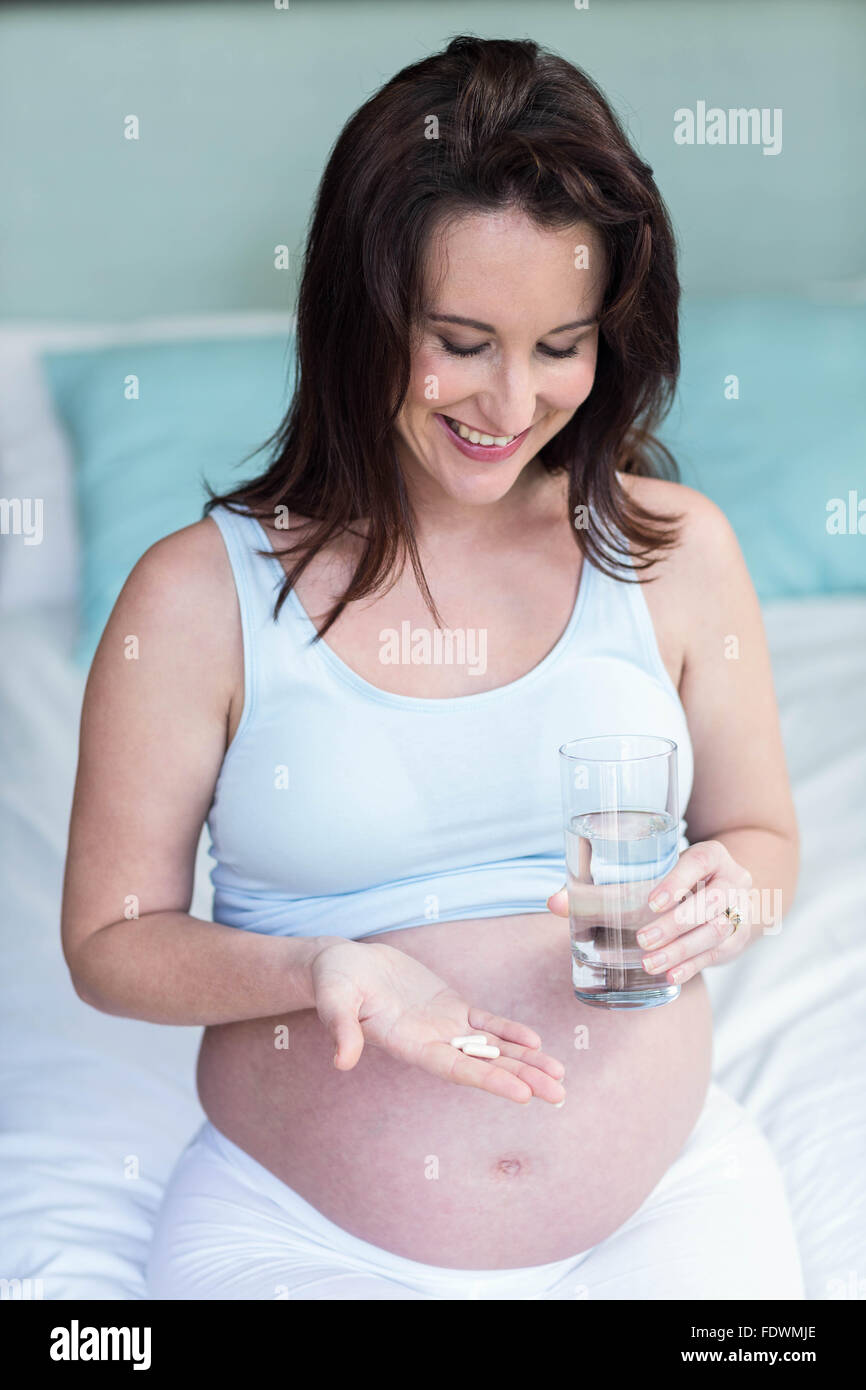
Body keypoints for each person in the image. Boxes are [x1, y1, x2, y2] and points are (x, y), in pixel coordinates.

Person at [61, 35, 804, 1300]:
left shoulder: (674, 554)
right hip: (299, 1234)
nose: (511, 402)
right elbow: (108, 942)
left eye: (560, 344)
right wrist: (317, 968)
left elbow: (758, 838)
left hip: (666, 1213)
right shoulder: (198, 596)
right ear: (363, 316)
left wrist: (728, 895)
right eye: (460, 340)